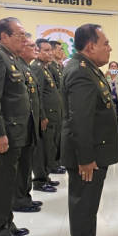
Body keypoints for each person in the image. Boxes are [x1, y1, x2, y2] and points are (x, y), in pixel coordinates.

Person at [61, 24, 118, 236]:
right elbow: (80, 120)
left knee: (88, 204)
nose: (109, 48)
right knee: (83, 205)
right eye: (105, 42)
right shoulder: (80, 72)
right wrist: (85, 159)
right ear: (91, 46)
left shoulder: (88, 69)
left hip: (94, 152)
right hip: (88, 156)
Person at [0, 17, 34, 236]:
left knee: (8, 183)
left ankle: (7, 224)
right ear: (3, 36)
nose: (23, 39)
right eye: (19, 35)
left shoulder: (11, 57)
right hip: (7, 134)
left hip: (17, 132)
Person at [13, 34, 49, 216]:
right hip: (18, 125)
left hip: (30, 122)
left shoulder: (26, 68)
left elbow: (36, 97)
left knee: (26, 165)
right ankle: (19, 199)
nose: (35, 49)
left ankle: (24, 197)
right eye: (31, 46)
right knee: (20, 167)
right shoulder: (20, 66)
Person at [32, 38, 62, 194]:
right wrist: (42, 115)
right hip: (46, 117)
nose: (50, 53)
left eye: (51, 50)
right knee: (42, 150)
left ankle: (46, 176)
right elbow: (36, 94)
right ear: (37, 51)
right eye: (46, 50)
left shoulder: (46, 68)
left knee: (50, 148)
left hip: (53, 116)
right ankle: (39, 180)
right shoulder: (37, 68)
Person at [49, 40, 66, 175]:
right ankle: (52, 164)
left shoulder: (58, 66)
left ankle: (56, 162)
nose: (62, 52)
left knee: (57, 137)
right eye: (59, 49)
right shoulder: (49, 67)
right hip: (51, 109)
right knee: (51, 140)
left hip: (59, 107)